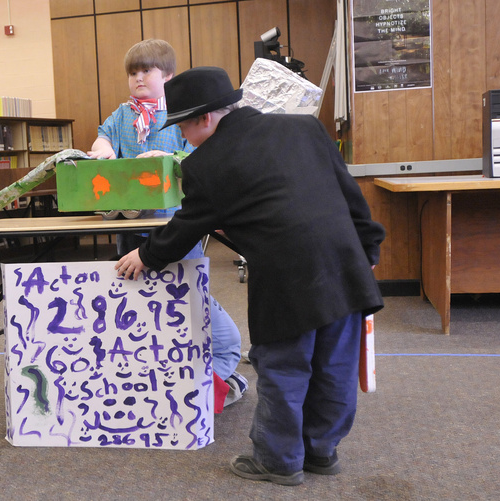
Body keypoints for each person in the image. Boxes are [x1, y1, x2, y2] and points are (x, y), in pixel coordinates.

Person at [116, 66, 385, 486]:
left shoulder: (206, 165)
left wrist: (146, 255)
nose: (183, 137)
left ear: (204, 119)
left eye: (183, 127)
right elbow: (349, 195)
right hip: (345, 265)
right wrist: (369, 248)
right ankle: (321, 451)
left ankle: (278, 461)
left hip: (285, 279)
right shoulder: (305, 129)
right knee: (335, 366)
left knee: (285, 369)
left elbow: (188, 225)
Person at [88, 39, 247, 410]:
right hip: (131, 230)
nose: (139, 78)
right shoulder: (121, 114)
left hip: (178, 228)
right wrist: (101, 147)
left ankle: (219, 374)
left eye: (147, 70)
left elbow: (200, 153)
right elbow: (103, 135)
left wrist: (171, 157)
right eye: (133, 72)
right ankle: (153, 375)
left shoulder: (180, 115)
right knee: (140, 302)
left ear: (168, 76)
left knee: (189, 297)